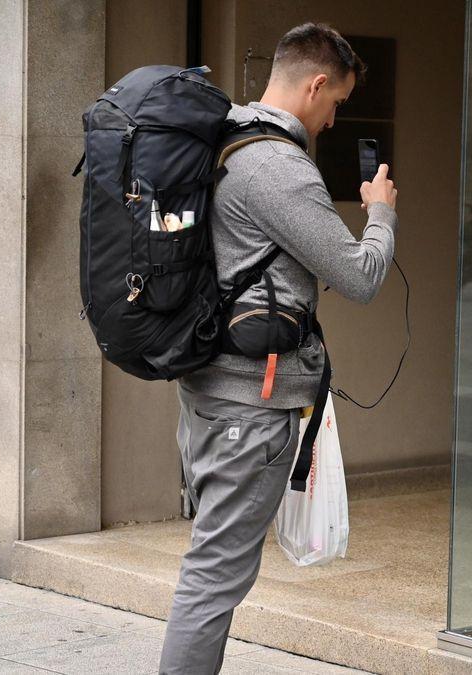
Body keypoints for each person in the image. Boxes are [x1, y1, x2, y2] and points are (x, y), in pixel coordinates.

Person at [160, 23, 398, 674]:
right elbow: (361, 276)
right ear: (316, 84)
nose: (332, 119)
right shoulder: (277, 164)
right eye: (337, 103)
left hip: (212, 388)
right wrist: (380, 212)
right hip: (248, 405)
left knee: (211, 568)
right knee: (214, 578)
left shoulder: (224, 138)